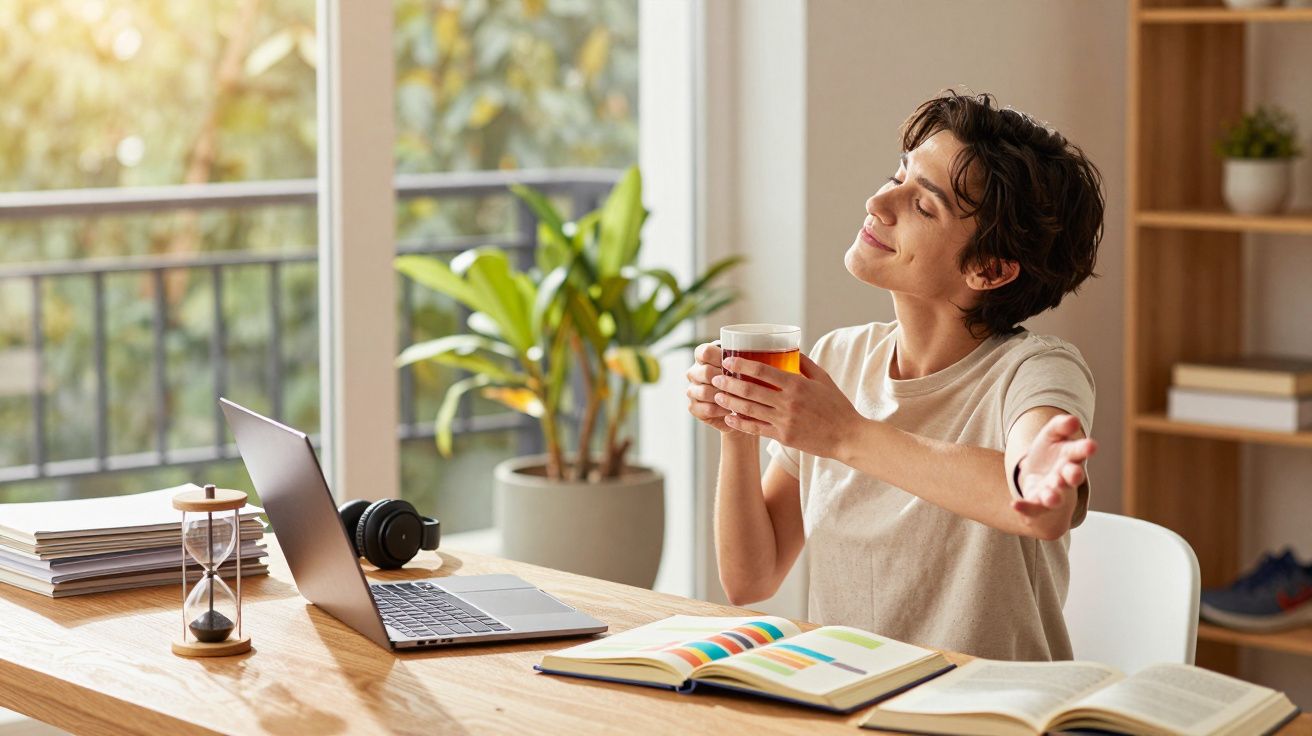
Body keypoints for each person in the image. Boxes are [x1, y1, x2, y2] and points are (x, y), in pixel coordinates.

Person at [685, 90, 1103, 661]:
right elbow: (749, 580)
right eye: (897, 176)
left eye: (923, 205)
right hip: (843, 703)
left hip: (986, 712)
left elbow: (1041, 503)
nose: (879, 201)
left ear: (989, 268)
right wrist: (740, 426)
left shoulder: (1032, 371)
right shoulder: (839, 360)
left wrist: (845, 435)